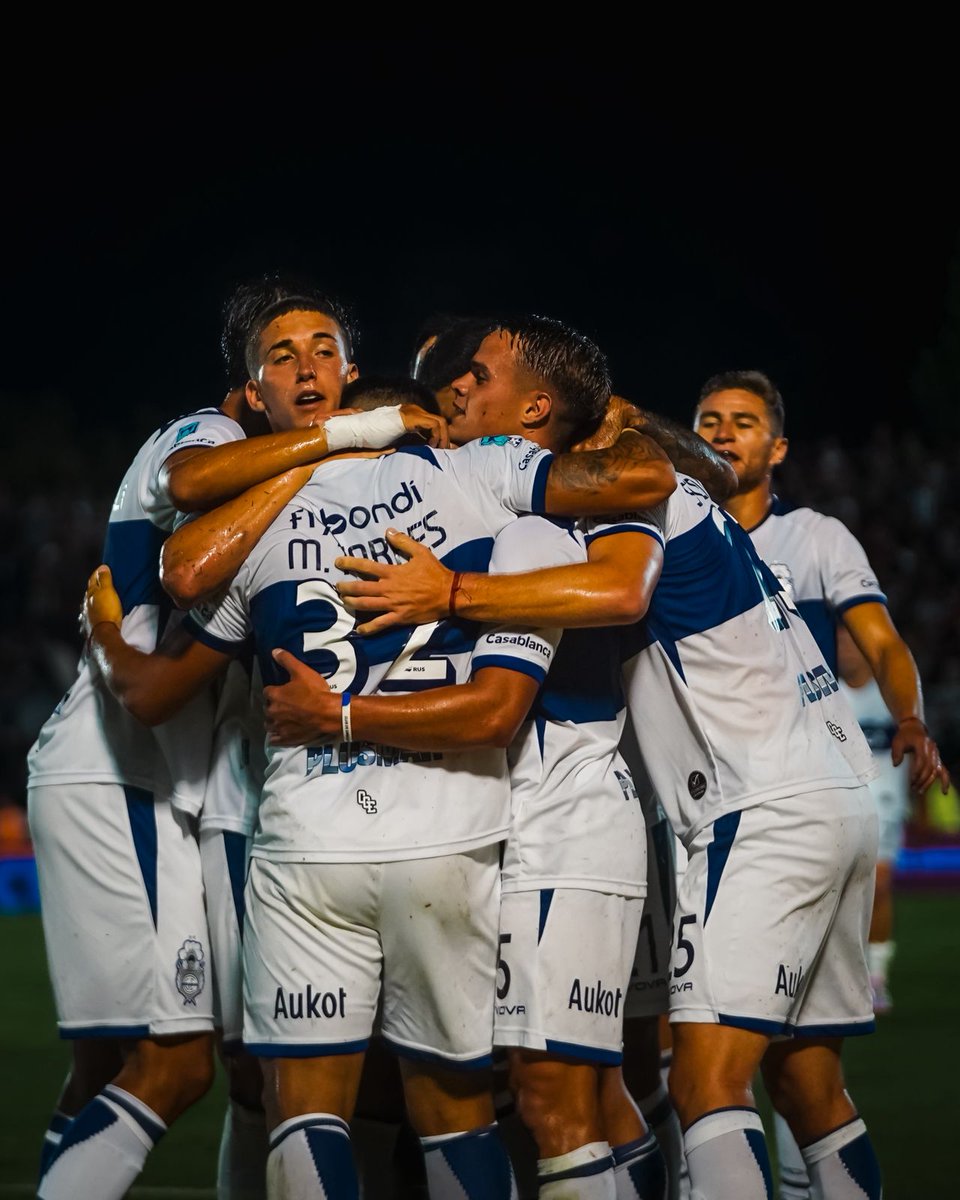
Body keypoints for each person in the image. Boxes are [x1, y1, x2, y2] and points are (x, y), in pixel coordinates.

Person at [83, 314, 683, 1200]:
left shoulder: (274, 511)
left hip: (309, 842)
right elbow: (630, 479)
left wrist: (107, 629)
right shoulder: (478, 474)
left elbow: (180, 571)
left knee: (305, 1111)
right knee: (465, 1113)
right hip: (454, 839)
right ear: (423, 422)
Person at [329, 455, 892, 1200]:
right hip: (830, 788)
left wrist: (454, 591)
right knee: (805, 1084)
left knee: (702, 1083)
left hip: (752, 807)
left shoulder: (626, 505)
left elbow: (619, 591)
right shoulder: (694, 500)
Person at [29, 281, 407, 1200]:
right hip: (130, 770)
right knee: (184, 1064)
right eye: (281, 356)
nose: (305, 369)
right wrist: (349, 439)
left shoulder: (279, 477)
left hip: (157, 772)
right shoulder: (209, 435)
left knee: (139, 1074)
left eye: (323, 350)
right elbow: (186, 488)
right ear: (247, 394)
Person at [692, 368, 950, 1200]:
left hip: (775, 808)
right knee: (804, 1082)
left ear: (779, 446)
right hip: (753, 806)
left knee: (702, 1067)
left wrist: (908, 716)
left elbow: (881, 641)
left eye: (743, 420)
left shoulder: (815, 538)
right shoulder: (669, 530)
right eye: (709, 419)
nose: (724, 432)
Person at [836, 623, 911, 1015]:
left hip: (886, 805)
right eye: (841, 639)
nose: (846, 649)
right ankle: (843, 975)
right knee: (843, 893)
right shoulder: (828, 692)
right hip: (842, 806)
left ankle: (876, 978)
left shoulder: (893, 695)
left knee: (879, 887)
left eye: (853, 640)